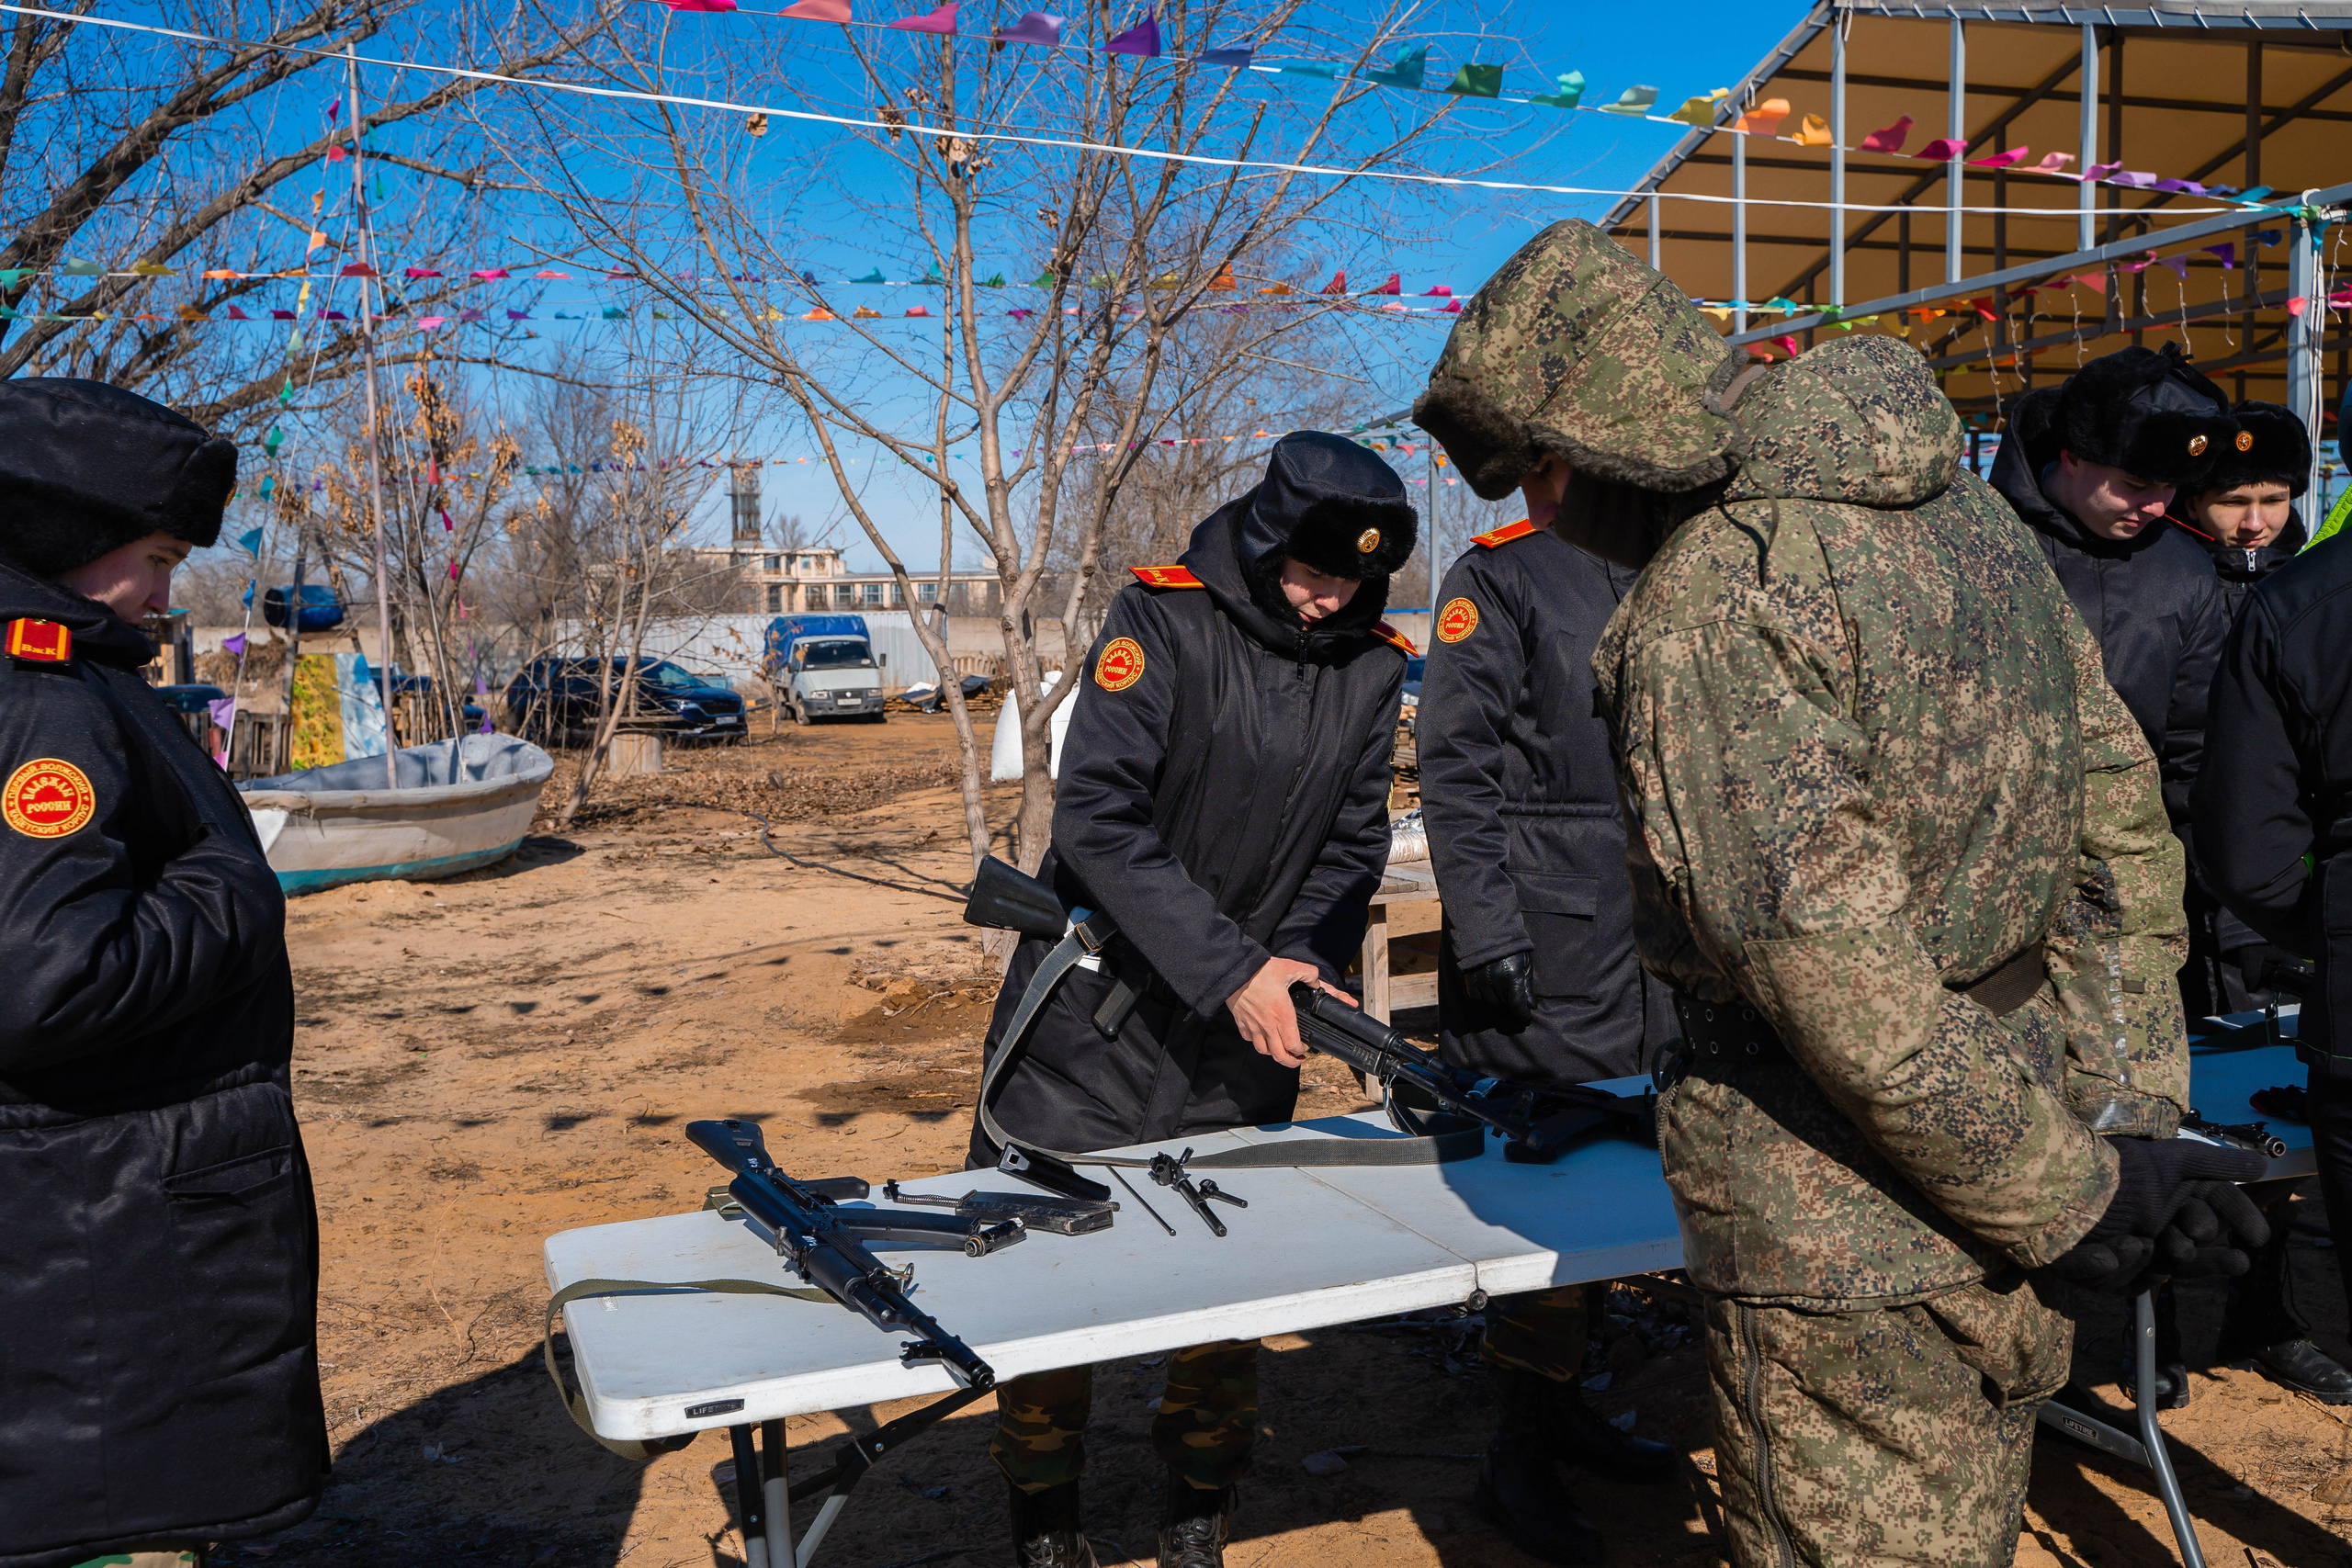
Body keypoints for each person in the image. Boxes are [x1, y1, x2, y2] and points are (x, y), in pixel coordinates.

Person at [1413, 220, 2268, 1568]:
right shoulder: (1968, 521)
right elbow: (2115, 827)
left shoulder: (1716, 597)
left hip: (1836, 1210)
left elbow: (1837, 974)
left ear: (1602, 439)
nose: (1545, 509)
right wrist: (2117, 1108)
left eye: (1541, 470)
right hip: (2024, 1115)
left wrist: (2070, 1192)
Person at [969, 431, 1417, 1568]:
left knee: (1228, 1280)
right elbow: (1097, 820)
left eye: (1352, 581)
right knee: (1045, 1270)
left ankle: (1197, 1510)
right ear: (1266, 545)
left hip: (1247, 1027)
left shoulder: (1371, 665)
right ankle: (1044, 1520)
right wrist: (1230, 969)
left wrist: (1300, 961)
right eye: (1312, 574)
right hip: (1091, 1017)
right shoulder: (1162, 620)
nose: (1327, 601)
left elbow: (1352, 842)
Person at [0, 380, 326, 1566]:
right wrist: (233, 885)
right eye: (154, 558)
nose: (162, 593)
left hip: (95, 1210)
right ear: (61, 538)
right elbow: (49, 984)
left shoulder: (70, 681)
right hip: (105, 1219)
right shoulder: (42, 702)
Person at [1417, 513, 1678, 1562]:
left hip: (1658, 936)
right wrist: (1486, 928)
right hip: (1546, 939)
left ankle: (1564, 1403)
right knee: (1544, 1196)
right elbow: (1454, 762)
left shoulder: (1681, 558)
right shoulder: (1506, 576)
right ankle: (1515, 1450)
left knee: (1621, 1181)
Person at [2180, 399, 2352, 1407]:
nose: (2254, 520)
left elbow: (2252, 839)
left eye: (2273, 497)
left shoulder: (2302, 600)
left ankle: (2261, 1314)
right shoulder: (2230, 593)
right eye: (2231, 499)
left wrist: (2318, 920)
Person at [1985, 345, 2234, 1019]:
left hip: (2125, 887)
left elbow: (2194, 748)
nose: (2155, 506)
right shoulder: (1978, 544)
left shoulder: (2184, 569)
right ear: (2072, 456)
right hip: (1987, 880)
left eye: (2171, 487)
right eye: (2134, 483)